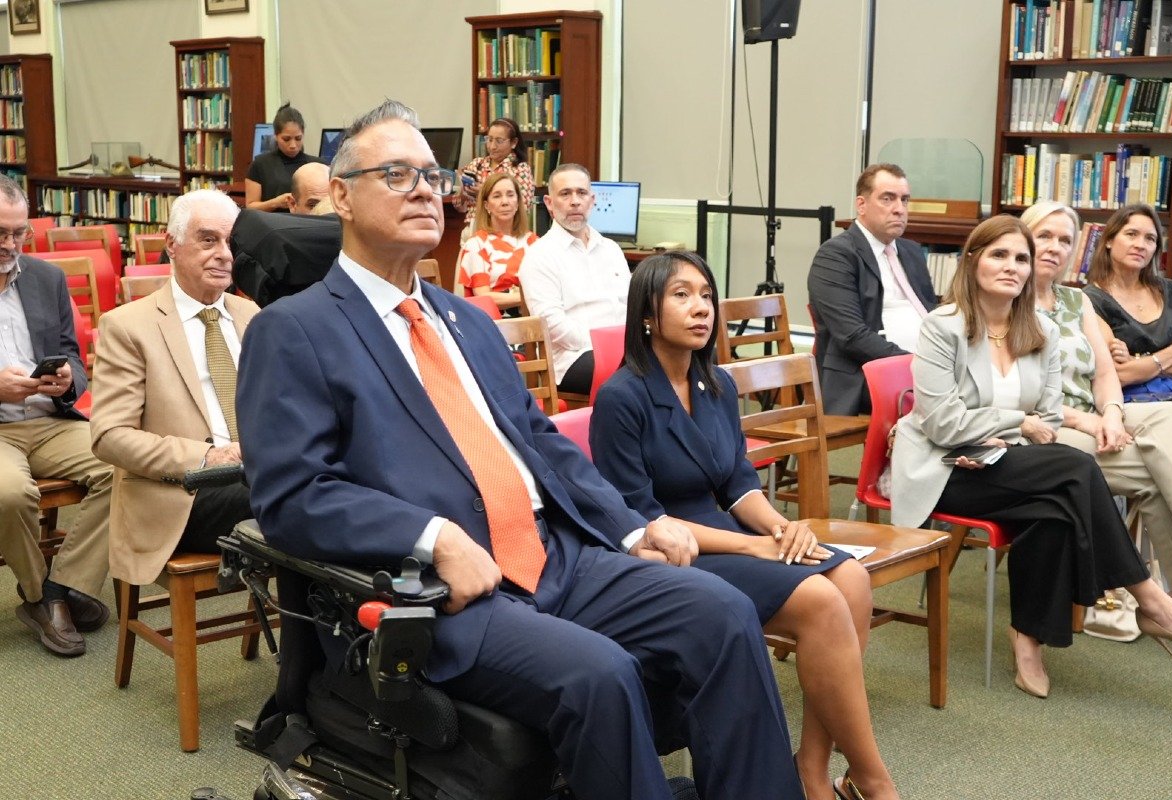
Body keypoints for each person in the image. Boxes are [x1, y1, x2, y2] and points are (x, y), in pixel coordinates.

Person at [237, 100, 806, 800]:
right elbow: (293, 498)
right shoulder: (294, 330)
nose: (425, 189)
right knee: (601, 675)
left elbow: (540, 443)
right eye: (397, 174)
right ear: (343, 198)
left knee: (720, 613)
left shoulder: (468, 323)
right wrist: (432, 535)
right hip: (444, 594)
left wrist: (633, 525)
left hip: (557, 555)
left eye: (431, 174)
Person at [591, 251, 899, 800]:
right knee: (823, 602)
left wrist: (781, 529)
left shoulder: (716, 384)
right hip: (671, 554)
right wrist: (755, 547)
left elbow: (736, 481)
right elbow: (639, 516)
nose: (700, 308)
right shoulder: (621, 398)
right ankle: (874, 781)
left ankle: (813, 764)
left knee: (852, 579)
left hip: (728, 536)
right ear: (646, 314)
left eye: (707, 295)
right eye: (681, 295)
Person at [890, 215, 1172, 698]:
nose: (1012, 266)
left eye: (1021, 258)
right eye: (999, 255)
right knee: (1074, 468)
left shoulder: (1040, 332)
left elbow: (1050, 419)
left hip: (1011, 461)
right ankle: (1149, 597)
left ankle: (1027, 640)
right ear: (972, 261)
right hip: (947, 467)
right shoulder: (942, 326)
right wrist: (1014, 423)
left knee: (1056, 510)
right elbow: (941, 424)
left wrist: (1014, 430)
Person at [1024, 200, 1172, 603]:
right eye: (1044, 236)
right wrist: (1090, 421)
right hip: (1046, 426)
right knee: (1161, 472)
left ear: (1075, 250)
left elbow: (1104, 375)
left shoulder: (1074, 300)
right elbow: (1021, 394)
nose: (1054, 247)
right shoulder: (1010, 302)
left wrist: (1114, 415)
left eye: (1064, 240)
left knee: (1168, 416)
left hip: (1094, 410)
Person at [91, 189, 256, 590]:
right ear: (172, 245)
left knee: (334, 484)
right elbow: (109, 437)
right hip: (182, 493)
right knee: (297, 501)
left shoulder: (253, 315)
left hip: (258, 474)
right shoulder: (129, 326)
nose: (224, 254)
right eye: (207, 239)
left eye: (231, 242)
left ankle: (315, 640)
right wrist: (209, 456)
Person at [0, 175, 112, 657]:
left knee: (124, 464)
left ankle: (59, 588)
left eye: (18, 233)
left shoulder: (46, 279)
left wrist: (68, 382)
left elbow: (74, 359)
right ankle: (36, 593)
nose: (9, 245)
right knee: (8, 493)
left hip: (48, 420)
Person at [807, 163, 937, 415]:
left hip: (923, 367)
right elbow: (852, 336)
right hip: (864, 373)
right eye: (888, 199)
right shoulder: (836, 255)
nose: (899, 209)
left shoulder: (911, 251)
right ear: (861, 204)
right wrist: (915, 364)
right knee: (941, 407)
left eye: (904, 200)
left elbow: (930, 311)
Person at [1082, 204, 1172, 435]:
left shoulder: (1170, 290)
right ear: (1109, 240)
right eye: (1131, 234)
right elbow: (1118, 375)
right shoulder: (1092, 298)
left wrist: (1144, 363)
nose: (1140, 245)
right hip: (1130, 400)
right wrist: (1170, 353)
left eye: (1150, 239)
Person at [520, 163, 630, 394]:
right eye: (565, 193)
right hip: (574, 357)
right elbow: (550, 323)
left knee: (691, 355)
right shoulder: (539, 255)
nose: (575, 201)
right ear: (549, 203)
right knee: (636, 374)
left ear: (592, 199)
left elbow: (631, 305)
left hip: (623, 349)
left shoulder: (611, 249)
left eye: (581, 193)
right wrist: (603, 346)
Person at [457, 172, 537, 312]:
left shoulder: (534, 242)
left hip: (536, 321)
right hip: (496, 324)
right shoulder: (476, 244)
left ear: (518, 203)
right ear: (487, 205)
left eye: (510, 195)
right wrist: (527, 297)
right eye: (497, 196)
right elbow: (483, 298)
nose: (505, 202)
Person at [452, 117, 535, 233]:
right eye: (489, 139)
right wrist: (462, 195)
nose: (492, 146)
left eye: (499, 141)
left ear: (514, 143)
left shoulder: (520, 170)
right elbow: (462, 209)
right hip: (474, 229)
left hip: (506, 231)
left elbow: (523, 206)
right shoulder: (477, 164)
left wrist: (485, 192)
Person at [246, 103, 322, 213]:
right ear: (276, 136)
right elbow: (250, 207)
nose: (293, 145)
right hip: (273, 225)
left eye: (298, 138)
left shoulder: (318, 166)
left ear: (303, 134)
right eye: (286, 139)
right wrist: (275, 203)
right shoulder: (260, 165)